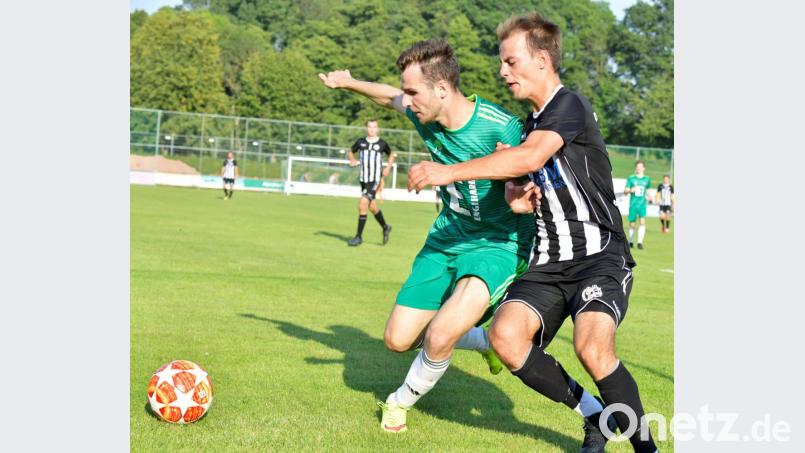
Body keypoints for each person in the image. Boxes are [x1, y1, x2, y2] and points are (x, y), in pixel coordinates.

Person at [320, 40, 606, 443]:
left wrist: (516, 197)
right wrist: (349, 83)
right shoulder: (424, 112)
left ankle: (398, 400)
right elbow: (389, 97)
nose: (408, 100)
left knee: (439, 335)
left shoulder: (501, 126)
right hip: (446, 239)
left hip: (499, 245)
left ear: (442, 90)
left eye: (414, 92)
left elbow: (526, 176)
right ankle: (486, 340)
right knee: (398, 339)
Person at [407, 13, 658, 453]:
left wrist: (448, 172)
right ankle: (595, 414)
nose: (503, 72)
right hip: (547, 261)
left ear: (542, 60)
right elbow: (523, 184)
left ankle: (646, 448)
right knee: (505, 339)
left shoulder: (569, 106)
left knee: (592, 348)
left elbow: (530, 158)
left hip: (598, 256)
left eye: (511, 62)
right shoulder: (527, 126)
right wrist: (516, 197)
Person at [346, 119, 394, 246]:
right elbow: (350, 151)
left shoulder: (382, 143)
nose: (372, 129)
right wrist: (352, 159)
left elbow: (391, 154)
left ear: (377, 129)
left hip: (375, 179)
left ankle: (358, 237)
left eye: (374, 127)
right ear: (366, 128)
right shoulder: (360, 142)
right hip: (363, 179)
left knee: (362, 204)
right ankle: (385, 226)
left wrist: (388, 167)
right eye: (370, 127)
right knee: (372, 207)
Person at [625, 161, 652, 249]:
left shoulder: (647, 179)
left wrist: (649, 196)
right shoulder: (631, 178)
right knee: (632, 223)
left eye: (640, 167)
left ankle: (640, 242)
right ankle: (631, 241)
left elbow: (647, 190)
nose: (638, 168)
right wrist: (630, 190)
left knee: (642, 222)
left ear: (644, 168)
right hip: (633, 204)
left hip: (642, 204)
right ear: (635, 168)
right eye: (637, 167)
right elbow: (625, 190)